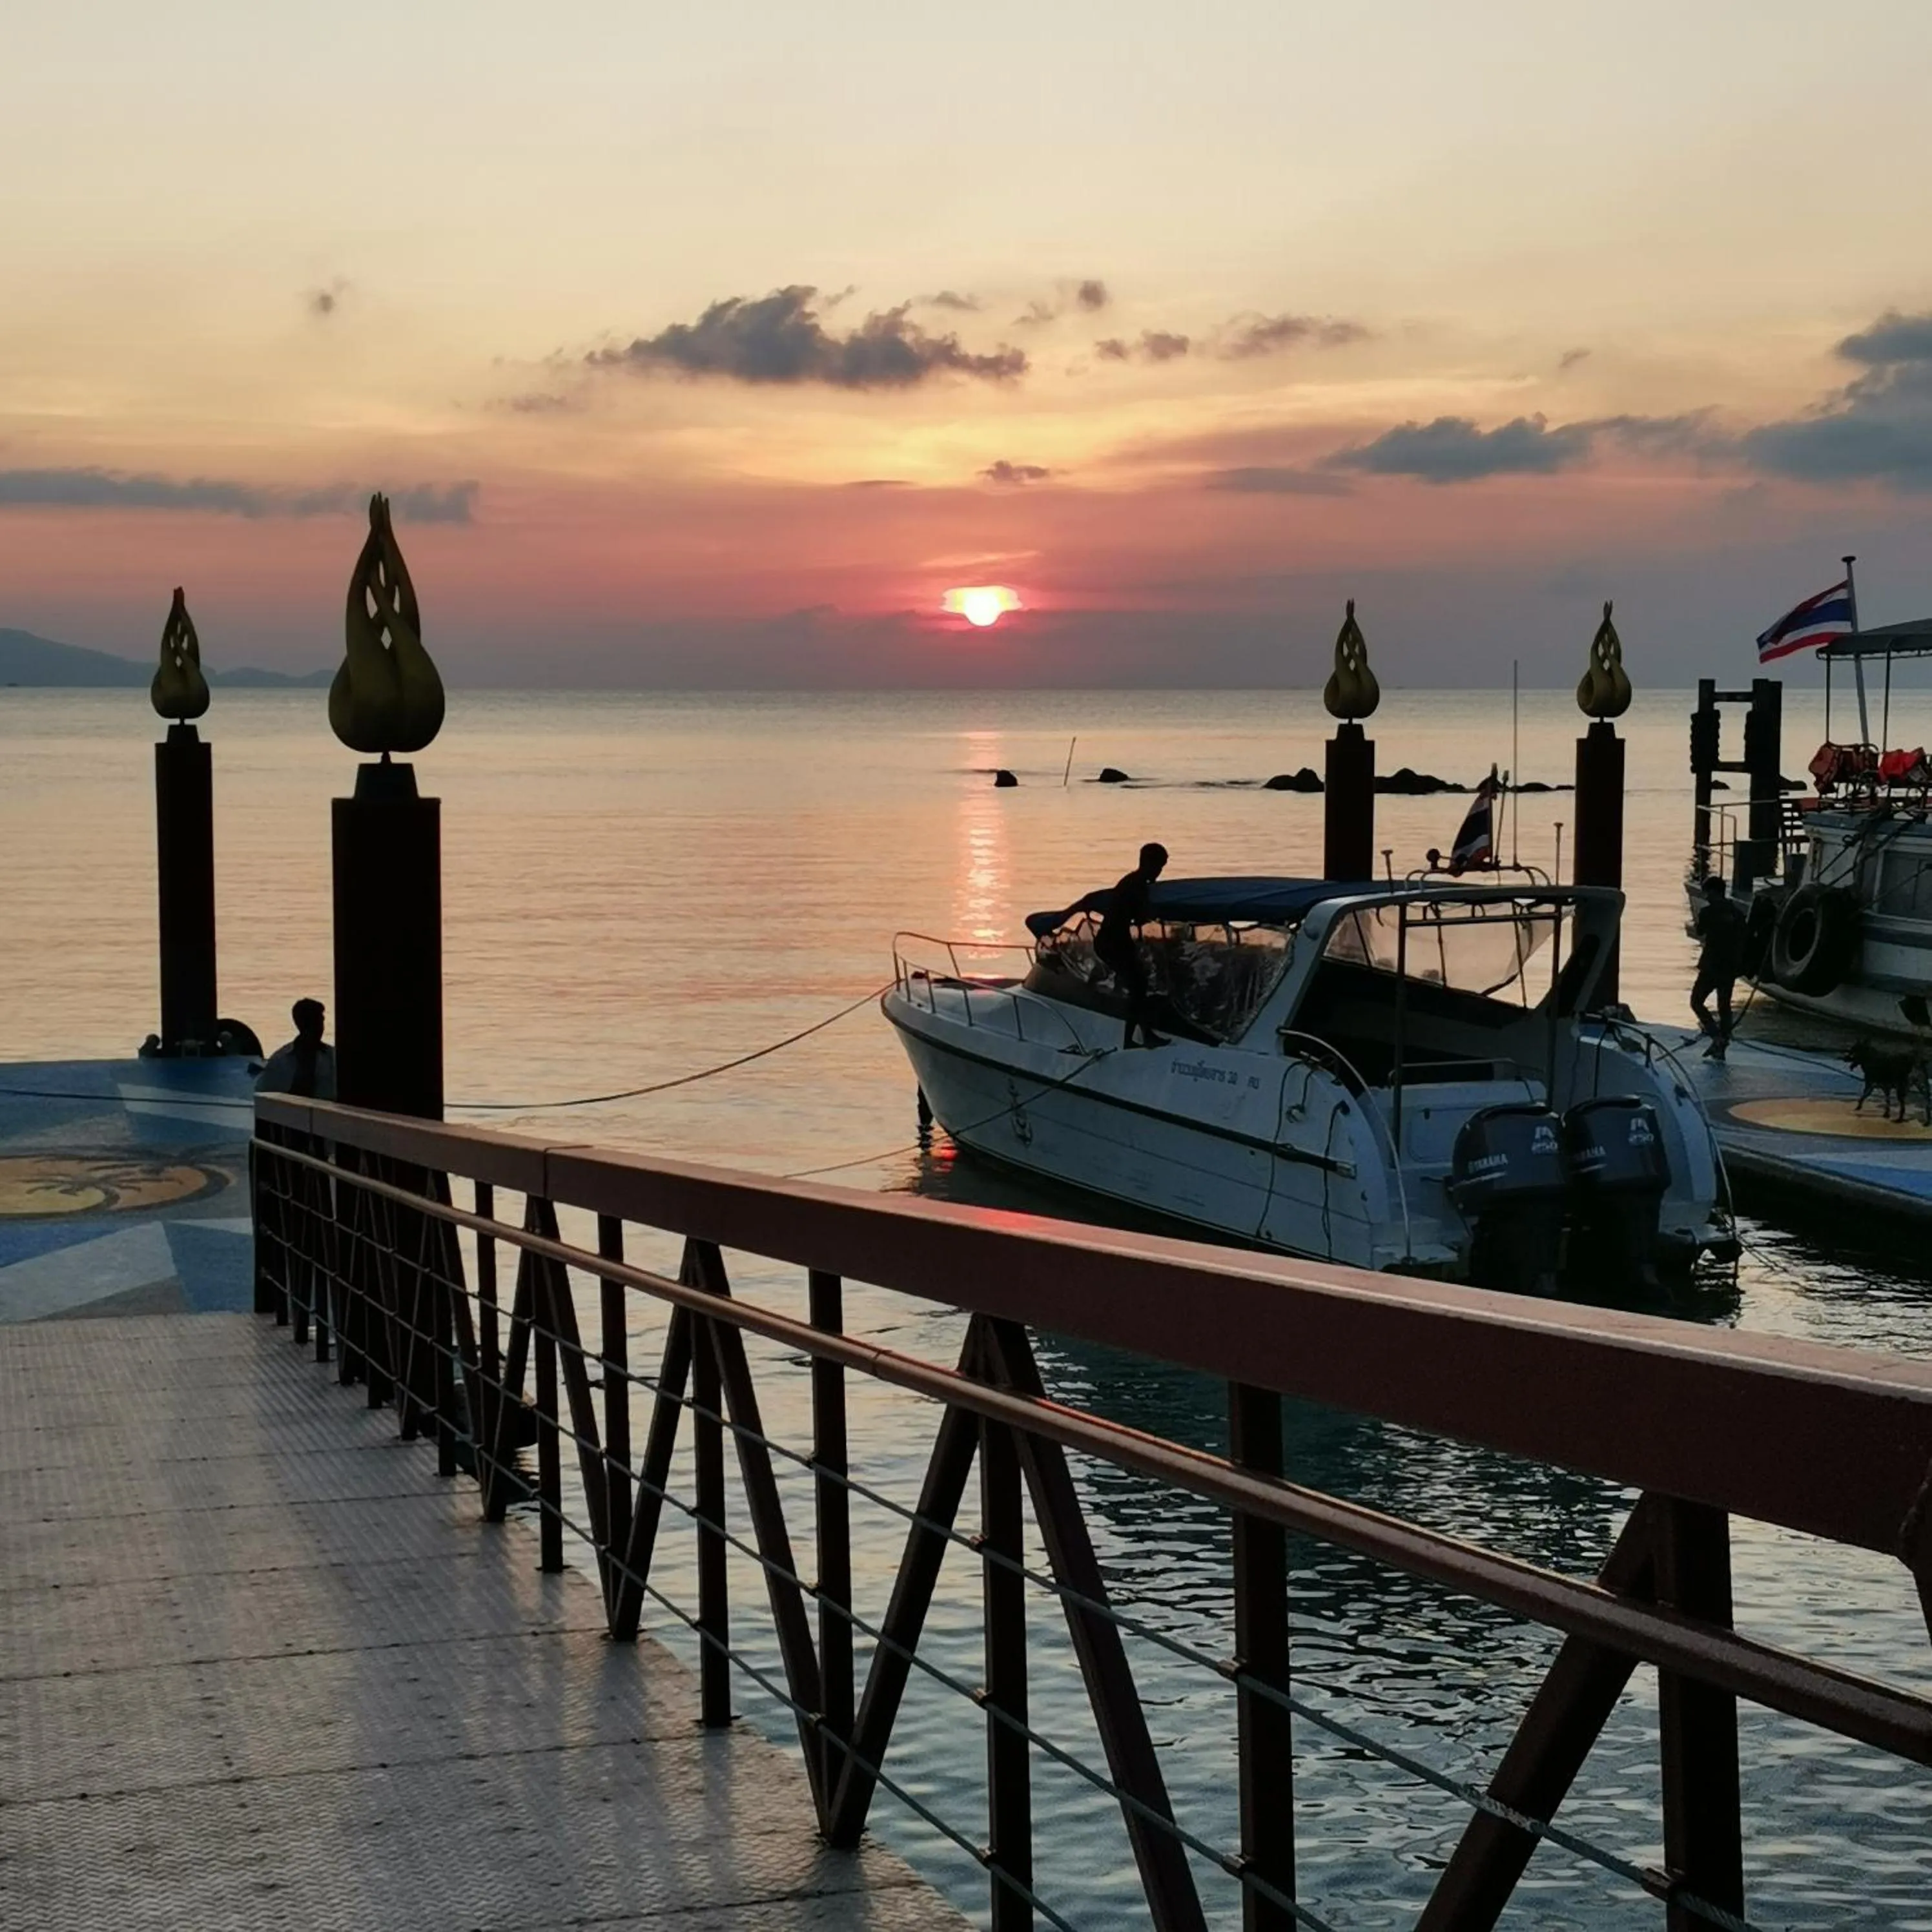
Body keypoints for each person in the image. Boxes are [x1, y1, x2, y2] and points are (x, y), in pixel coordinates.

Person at [1094, 843, 1169, 1048]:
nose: (1160, 872)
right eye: (1159, 867)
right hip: (1112, 942)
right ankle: (1135, 1038)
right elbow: (1139, 917)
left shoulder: (1132, 882)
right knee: (1138, 986)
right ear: (1148, 863)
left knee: (1139, 985)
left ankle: (1141, 1036)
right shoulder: (1136, 885)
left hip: (1116, 940)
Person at [1690, 878, 1747, 1060]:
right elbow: (1743, 938)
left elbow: (1700, 931)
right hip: (1730, 967)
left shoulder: (1708, 912)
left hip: (1711, 966)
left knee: (1697, 1001)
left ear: (1714, 892)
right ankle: (1722, 1044)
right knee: (1724, 1006)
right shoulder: (1737, 914)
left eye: (1707, 893)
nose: (1706, 897)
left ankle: (1716, 1036)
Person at [256, 998, 338, 1099]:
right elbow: (264, 1095)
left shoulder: (333, 1057)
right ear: (301, 1025)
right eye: (316, 1023)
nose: (320, 1028)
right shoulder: (280, 1061)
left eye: (321, 1022)